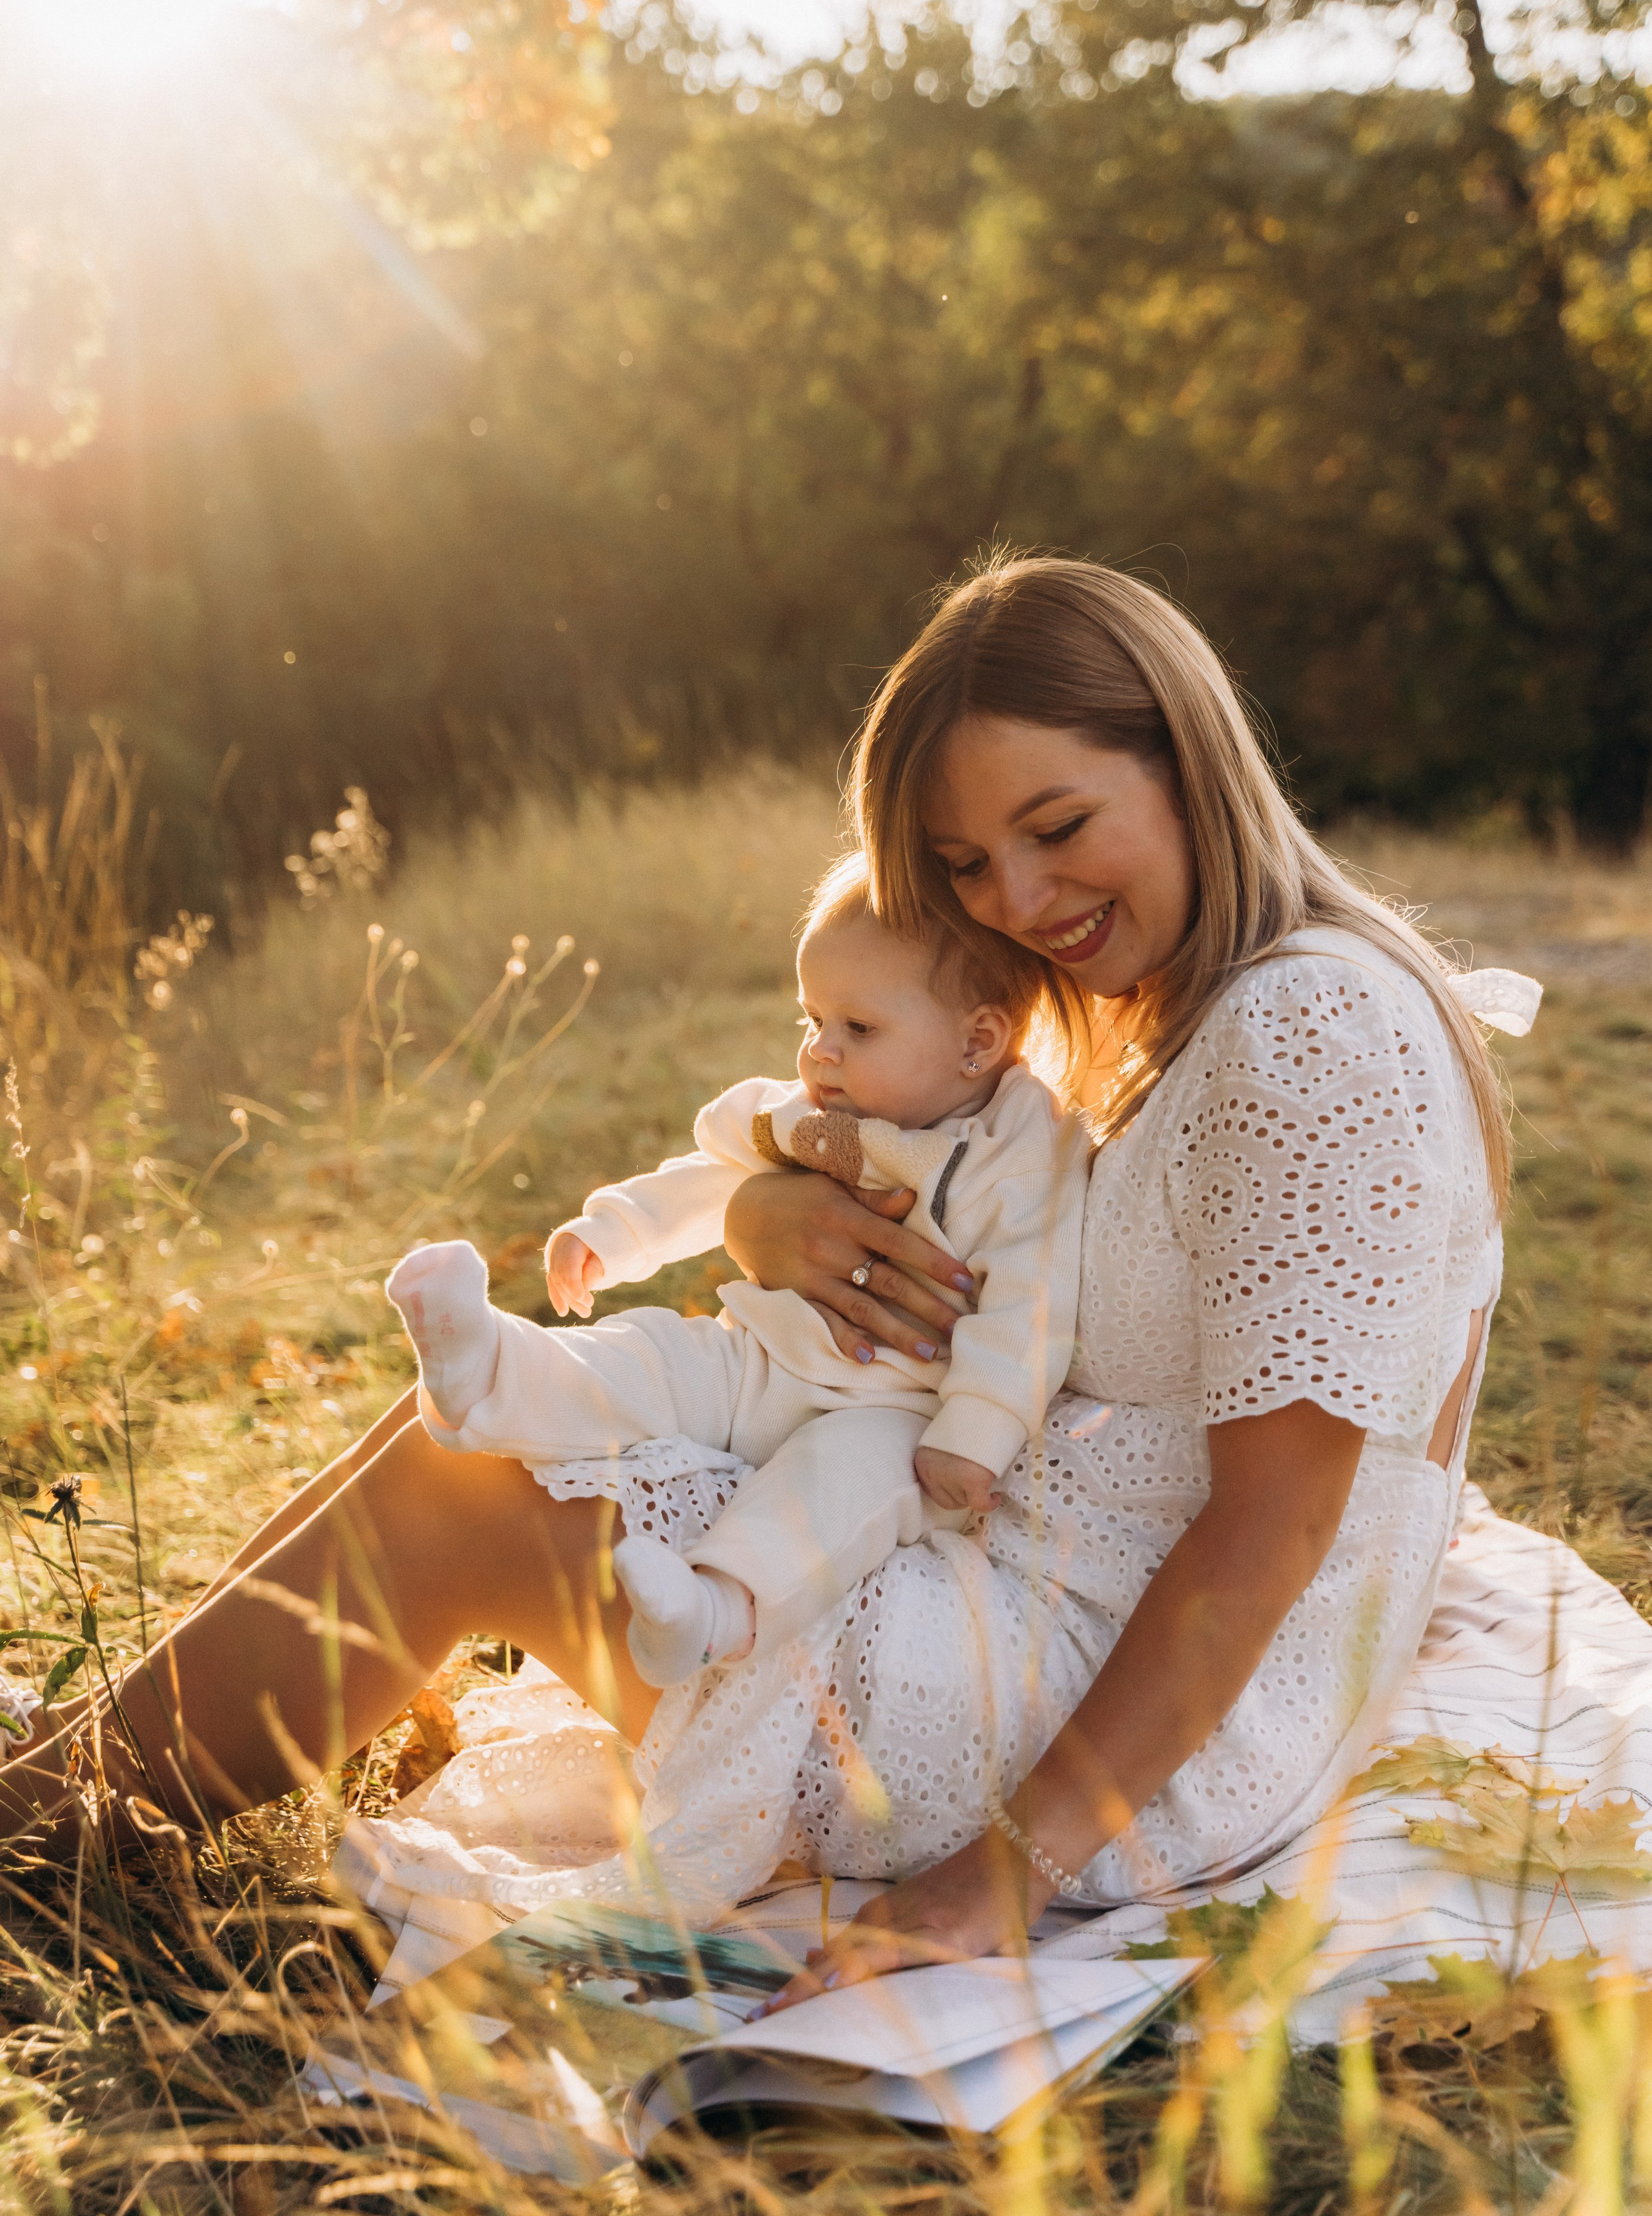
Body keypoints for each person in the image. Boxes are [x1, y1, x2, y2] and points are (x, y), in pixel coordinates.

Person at [0, 555, 1535, 2011]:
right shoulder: (1175, 998)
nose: (1014, 897)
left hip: (1113, 1711)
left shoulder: (1309, 1039)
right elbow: (938, 1192)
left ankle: (45, 1828)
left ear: (1186, 760)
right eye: (961, 863)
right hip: (1031, 1566)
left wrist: (995, 1881)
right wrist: (761, 1220)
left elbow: (1276, 1529)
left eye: (1060, 825)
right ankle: (84, 1766)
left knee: (464, 1494)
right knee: (457, 1429)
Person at [383, 850, 1089, 1688]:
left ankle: (706, 1612)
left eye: (858, 1029)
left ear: (978, 1041)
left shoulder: (1018, 1152)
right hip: (754, 1359)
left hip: (892, 1410)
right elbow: (711, 1177)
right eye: (810, 1021)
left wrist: (974, 1435)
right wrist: (611, 1232)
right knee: (648, 1358)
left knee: (839, 1495)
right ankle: (489, 1371)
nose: (820, 1054)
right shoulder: (803, 1116)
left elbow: (1031, 1306)